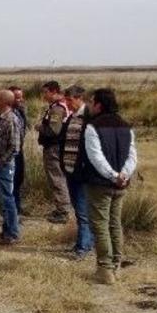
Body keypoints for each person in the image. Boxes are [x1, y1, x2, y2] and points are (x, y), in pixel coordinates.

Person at [77, 88, 137, 284]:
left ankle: (105, 269)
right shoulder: (126, 126)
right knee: (115, 224)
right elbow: (132, 156)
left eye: (92, 102)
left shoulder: (93, 127)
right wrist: (123, 175)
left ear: (99, 105)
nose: (90, 106)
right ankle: (116, 264)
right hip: (121, 184)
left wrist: (112, 175)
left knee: (100, 225)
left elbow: (95, 157)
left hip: (100, 183)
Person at [60, 85, 94, 260]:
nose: (67, 103)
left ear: (80, 98)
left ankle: (83, 246)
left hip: (82, 173)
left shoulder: (89, 118)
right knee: (78, 208)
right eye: (66, 99)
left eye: (70, 100)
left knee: (82, 210)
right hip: (69, 169)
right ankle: (84, 242)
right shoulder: (71, 118)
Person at [36, 80, 70, 223]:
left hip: (54, 148)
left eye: (45, 92)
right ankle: (61, 208)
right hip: (55, 147)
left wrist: (39, 127)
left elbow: (53, 130)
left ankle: (63, 211)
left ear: (53, 91)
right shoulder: (56, 106)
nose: (44, 96)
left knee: (56, 178)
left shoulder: (57, 109)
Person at [0, 89, 21, 245]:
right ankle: (6, 229)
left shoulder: (11, 120)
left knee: (7, 199)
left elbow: (15, 147)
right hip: (0, 164)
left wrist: (0, 162)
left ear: (4, 102)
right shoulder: (0, 117)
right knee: (3, 199)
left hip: (5, 165)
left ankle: (12, 233)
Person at [10, 86, 27, 215]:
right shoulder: (6, 114)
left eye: (21, 96)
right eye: (17, 97)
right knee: (12, 181)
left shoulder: (21, 111)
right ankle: (13, 208)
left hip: (20, 151)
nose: (20, 99)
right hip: (10, 154)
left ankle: (17, 205)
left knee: (19, 179)